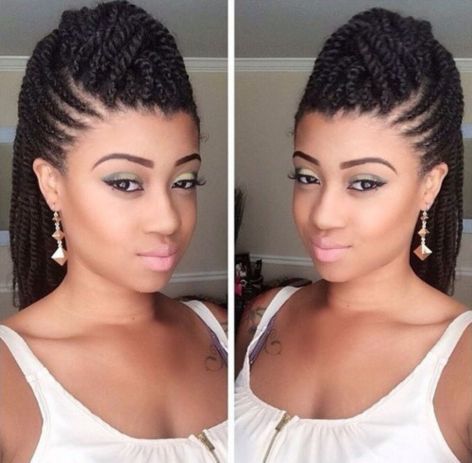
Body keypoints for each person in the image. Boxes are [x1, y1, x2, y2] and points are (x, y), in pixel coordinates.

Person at [235, 7, 471, 463]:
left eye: (364, 183)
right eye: (307, 176)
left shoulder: (462, 361)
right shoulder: (263, 319)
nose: (323, 215)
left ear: (429, 185)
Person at [0, 2, 227, 462]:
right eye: (125, 183)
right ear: (52, 185)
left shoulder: (219, 331)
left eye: (184, 181)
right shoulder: (9, 378)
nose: (167, 219)